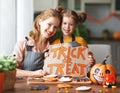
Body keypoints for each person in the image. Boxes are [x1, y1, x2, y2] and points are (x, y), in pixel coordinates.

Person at [12, 8, 62, 76]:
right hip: (26, 85)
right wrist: (33, 73)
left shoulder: (55, 47)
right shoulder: (22, 45)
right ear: (40, 21)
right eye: (49, 24)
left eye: (55, 27)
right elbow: (12, 70)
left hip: (50, 85)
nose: (51, 30)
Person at [52, 7, 95, 76]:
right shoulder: (55, 43)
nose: (67, 27)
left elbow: (88, 58)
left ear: (75, 26)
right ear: (60, 24)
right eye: (65, 23)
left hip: (77, 76)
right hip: (59, 76)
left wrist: (90, 60)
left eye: (71, 24)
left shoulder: (80, 40)